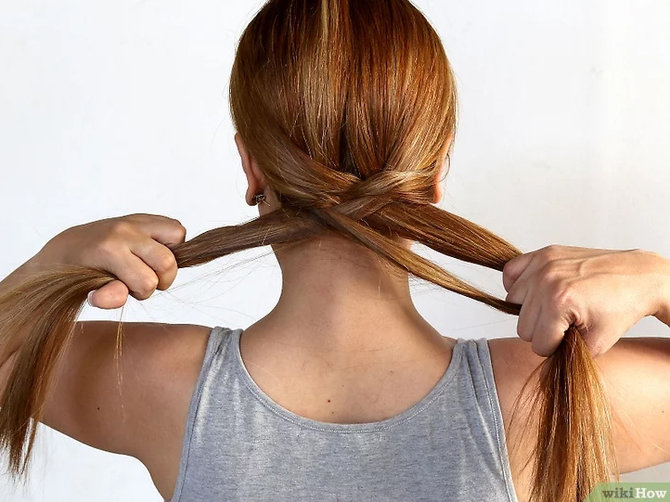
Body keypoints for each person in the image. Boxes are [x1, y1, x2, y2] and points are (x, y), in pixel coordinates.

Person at [1, 1, 670, 501]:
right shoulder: (548, 395)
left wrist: (44, 271)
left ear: (252, 168)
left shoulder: (161, 387)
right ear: (434, 172)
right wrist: (659, 282)